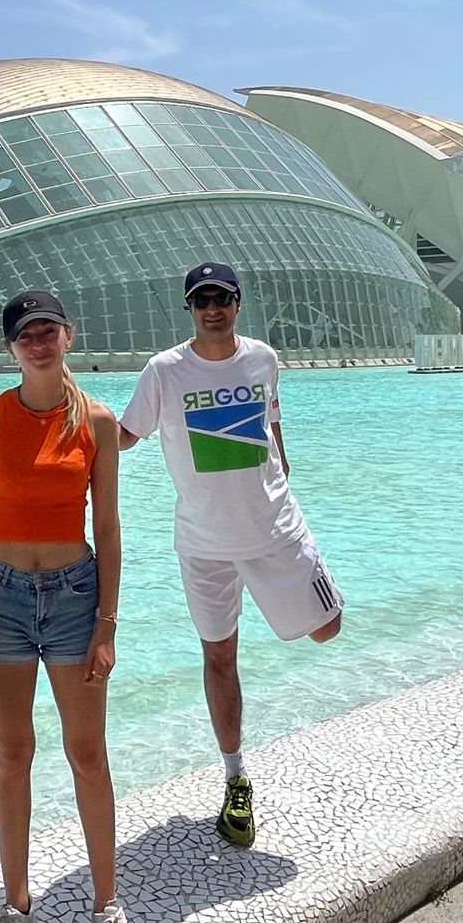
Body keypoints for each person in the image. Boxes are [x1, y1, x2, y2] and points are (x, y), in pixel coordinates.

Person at [0, 289, 142, 923]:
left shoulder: (95, 420)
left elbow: (111, 529)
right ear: (10, 348)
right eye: (24, 335)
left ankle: (106, 908)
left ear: (69, 338)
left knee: (87, 753)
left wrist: (108, 623)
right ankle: (17, 907)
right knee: (12, 754)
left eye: (48, 332)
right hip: (0, 599)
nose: (37, 343)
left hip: (73, 597)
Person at [119, 263, 342, 849]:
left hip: (275, 531)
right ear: (189, 309)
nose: (211, 308)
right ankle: (235, 776)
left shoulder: (262, 358)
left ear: (237, 304)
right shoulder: (164, 371)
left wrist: (283, 466)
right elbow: (124, 437)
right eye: (201, 301)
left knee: (327, 629)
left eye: (221, 299)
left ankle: (295, 589)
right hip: (204, 545)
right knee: (219, 656)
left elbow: (270, 419)